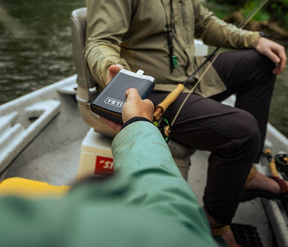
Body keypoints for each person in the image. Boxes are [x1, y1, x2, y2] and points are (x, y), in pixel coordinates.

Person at [84, 0, 287, 246]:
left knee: (262, 62)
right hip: (152, 93)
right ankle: (216, 222)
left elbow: (203, 23)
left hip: (190, 73)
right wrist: (112, 70)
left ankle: (244, 174)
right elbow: (99, 42)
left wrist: (253, 39)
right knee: (243, 129)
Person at [0, 88, 218, 247]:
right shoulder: (174, 235)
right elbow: (173, 222)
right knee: (243, 130)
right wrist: (138, 124)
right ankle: (219, 224)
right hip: (144, 113)